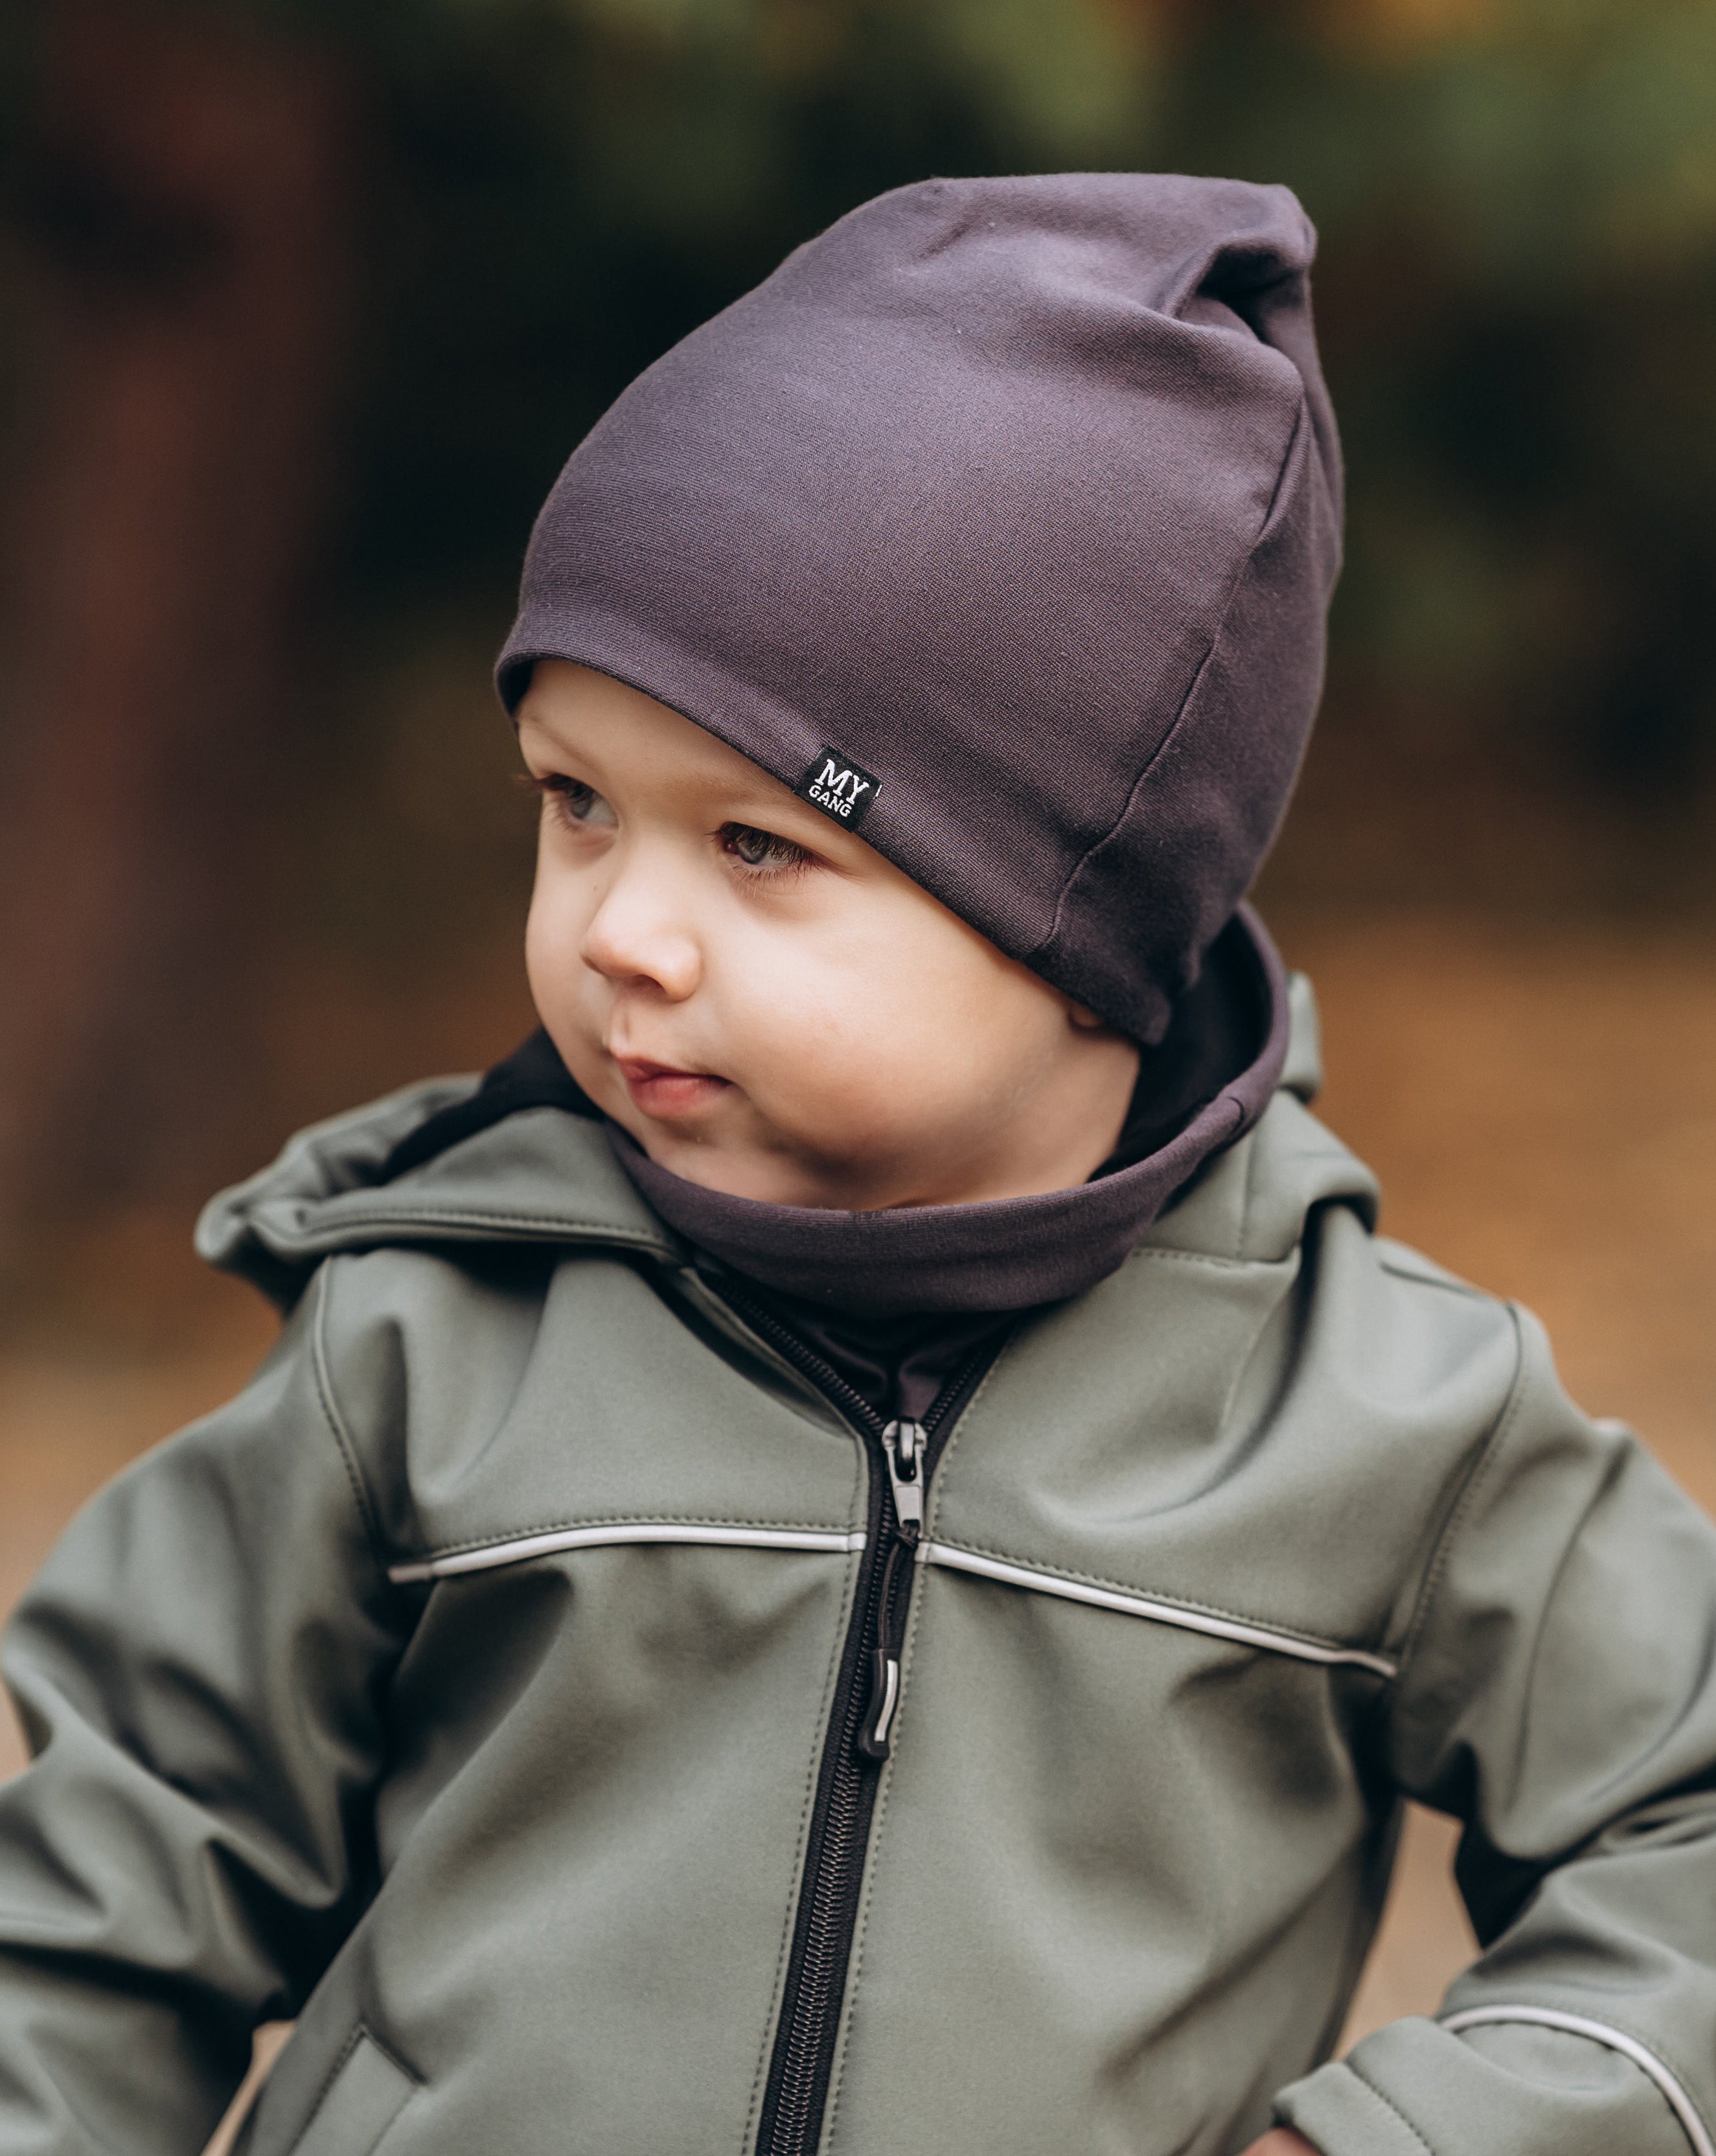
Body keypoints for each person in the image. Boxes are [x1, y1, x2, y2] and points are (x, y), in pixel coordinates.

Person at [2, 173, 1713, 2156]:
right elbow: (99, 1913)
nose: (621, 930)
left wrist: (1416, 2140)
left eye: (754, 846)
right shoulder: (425, 1334)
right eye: (574, 804)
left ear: (1082, 923)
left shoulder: (1377, 1421)